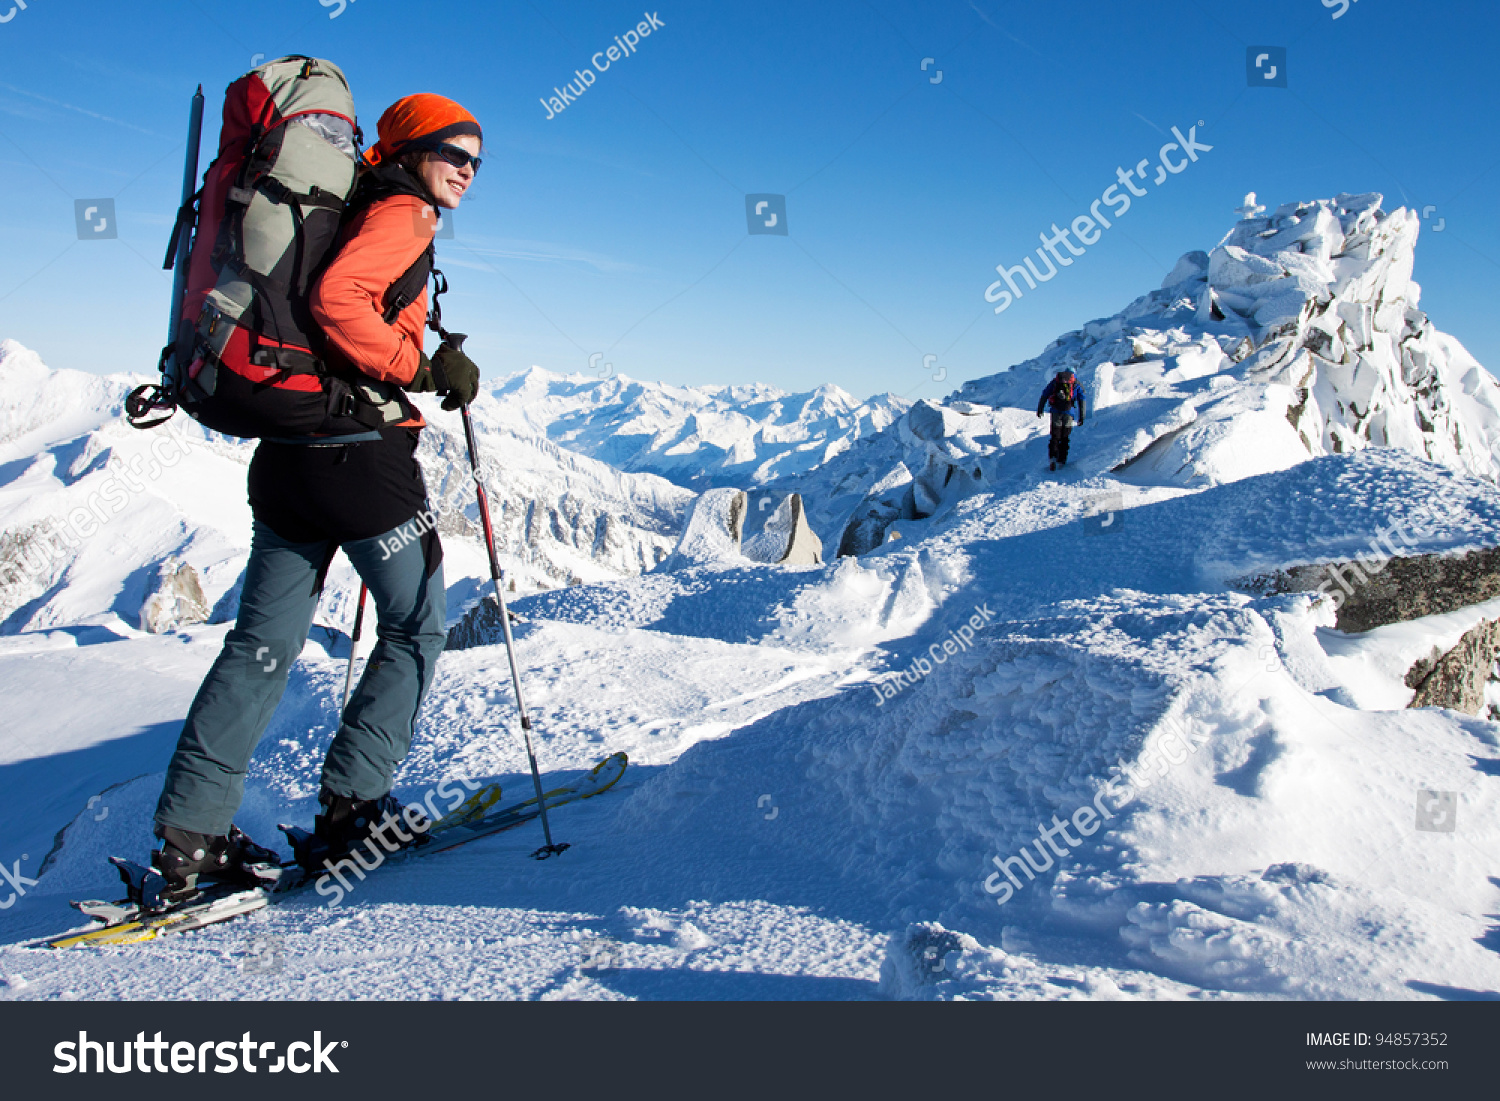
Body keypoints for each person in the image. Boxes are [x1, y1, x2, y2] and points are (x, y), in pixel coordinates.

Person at [149, 94, 485, 902]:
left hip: (287, 458)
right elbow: (340, 303)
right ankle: (353, 812)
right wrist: (422, 371)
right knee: (416, 624)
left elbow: (337, 301)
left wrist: (412, 341)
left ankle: (191, 838)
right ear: (412, 149)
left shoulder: (342, 204)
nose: (468, 173)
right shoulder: (404, 211)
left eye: (477, 160)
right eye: (455, 153)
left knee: (261, 646)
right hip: (359, 463)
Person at [1037, 368, 1086, 471]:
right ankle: (1062, 460)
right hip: (1069, 413)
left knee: (1055, 436)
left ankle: (1053, 458)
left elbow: (1045, 394)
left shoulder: (1056, 381)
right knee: (1065, 437)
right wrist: (1082, 416)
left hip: (1055, 411)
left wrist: (1040, 409)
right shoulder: (1076, 383)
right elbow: (1082, 400)